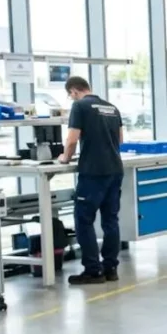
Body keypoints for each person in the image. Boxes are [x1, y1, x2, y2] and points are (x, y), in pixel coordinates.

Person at [59, 76, 124, 285]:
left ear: (74, 91)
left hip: (94, 172)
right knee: (110, 220)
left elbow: (71, 139)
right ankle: (111, 268)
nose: (72, 98)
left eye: (70, 95)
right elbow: (120, 140)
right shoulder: (112, 108)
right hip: (115, 169)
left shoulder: (79, 106)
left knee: (84, 220)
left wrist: (65, 158)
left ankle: (92, 270)